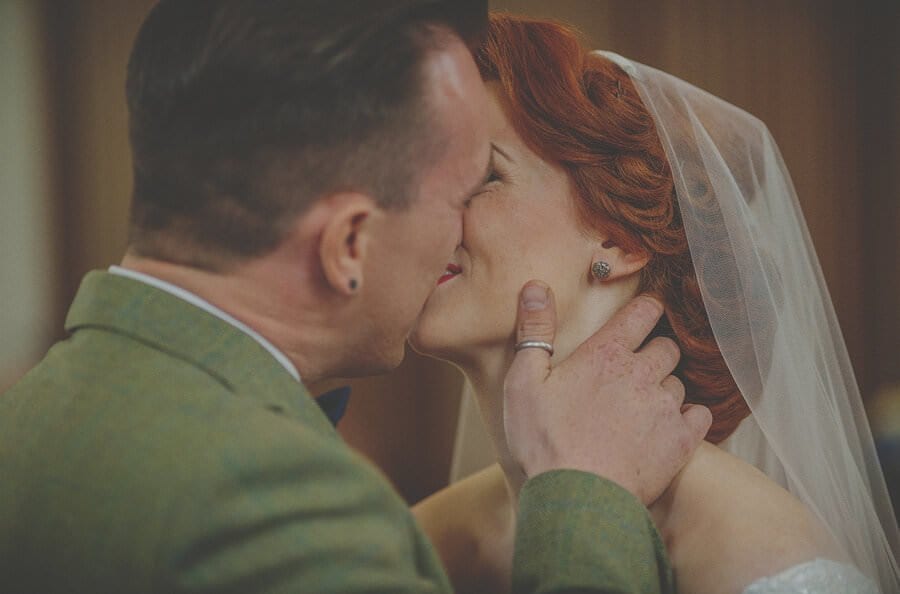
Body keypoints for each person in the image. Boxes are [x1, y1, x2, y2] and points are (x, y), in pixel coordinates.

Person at [0, 2, 711, 593]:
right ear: (347, 243)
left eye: (485, 183)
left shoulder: (36, 410)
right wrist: (585, 493)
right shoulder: (280, 507)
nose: (457, 231)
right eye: (455, 195)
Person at [411, 13, 900, 594]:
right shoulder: (423, 541)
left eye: (483, 175)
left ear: (617, 239)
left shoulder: (760, 554)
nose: (418, 211)